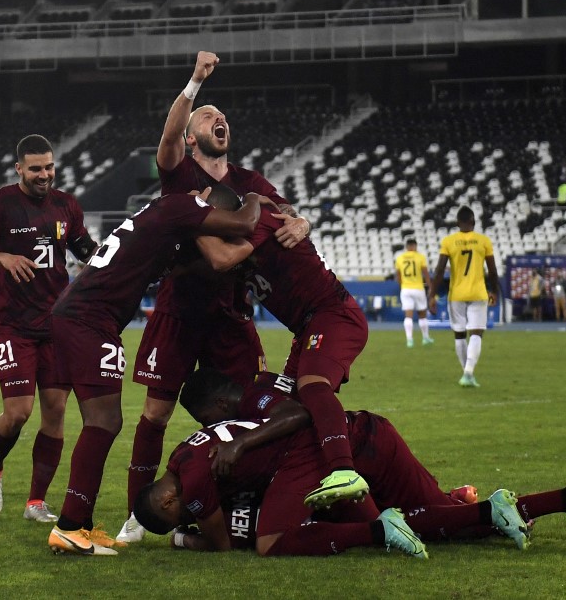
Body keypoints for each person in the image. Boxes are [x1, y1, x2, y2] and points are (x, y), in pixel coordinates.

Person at [117, 50, 312, 544]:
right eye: (208, 116)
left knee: (248, 413)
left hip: (231, 314)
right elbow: (165, 138)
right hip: (179, 310)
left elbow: (288, 210)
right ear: (191, 135)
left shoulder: (249, 182)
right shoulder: (179, 173)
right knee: (155, 414)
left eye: (222, 117)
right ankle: (137, 515)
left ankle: (244, 503)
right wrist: (195, 84)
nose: (218, 119)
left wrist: (303, 220)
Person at [134, 368, 566, 554]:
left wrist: (187, 539)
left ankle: (386, 526)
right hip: (365, 434)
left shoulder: (199, 465)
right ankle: (562, 497)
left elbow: (221, 540)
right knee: (450, 520)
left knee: (270, 542)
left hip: (333, 454)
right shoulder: (243, 402)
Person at [46, 185, 266, 557]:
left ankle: (77, 523)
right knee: (103, 422)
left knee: (104, 422)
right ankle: (69, 526)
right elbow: (233, 238)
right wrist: (258, 199)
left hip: (86, 315)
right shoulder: (181, 210)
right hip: (89, 318)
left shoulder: (169, 224)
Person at [195, 187, 372, 512]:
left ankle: (344, 471)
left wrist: (197, 216)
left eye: (208, 219)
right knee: (290, 406)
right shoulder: (240, 236)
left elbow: (222, 259)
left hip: (331, 313)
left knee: (313, 386)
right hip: (306, 327)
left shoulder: (254, 223)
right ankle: (324, 483)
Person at [0, 133, 97, 525]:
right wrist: (4, 257)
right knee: (18, 412)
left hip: (57, 325)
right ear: (19, 168)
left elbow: (85, 250)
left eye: (50, 167)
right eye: (36, 168)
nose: (45, 175)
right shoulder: (0, 202)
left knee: (55, 412)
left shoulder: (66, 205)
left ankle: (36, 502)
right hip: (15, 326)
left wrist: (110, 263)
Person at [428, 206, 498, 388]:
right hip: (478, 292)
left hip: (456, 294)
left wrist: (431, 295)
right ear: (474, 222)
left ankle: (466, 373)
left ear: (458, 223)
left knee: (459, 335)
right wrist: (495, 291)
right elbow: (492, 270)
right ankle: (468, 372)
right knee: (476, 332)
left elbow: (440, 269)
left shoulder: (449, 241)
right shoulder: (484, 241)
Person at [394, 238, 433, 347]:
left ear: (407, 247)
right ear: (415, 246)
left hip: (406, 289)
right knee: (422, 314)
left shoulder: (400, 258)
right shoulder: (420, 257)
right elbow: (426, 274)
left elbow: (398, 276)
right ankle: (425, 338)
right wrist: (430, 287)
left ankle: (409, 340)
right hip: (418, 288)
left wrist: (403, 285)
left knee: (408, 315)